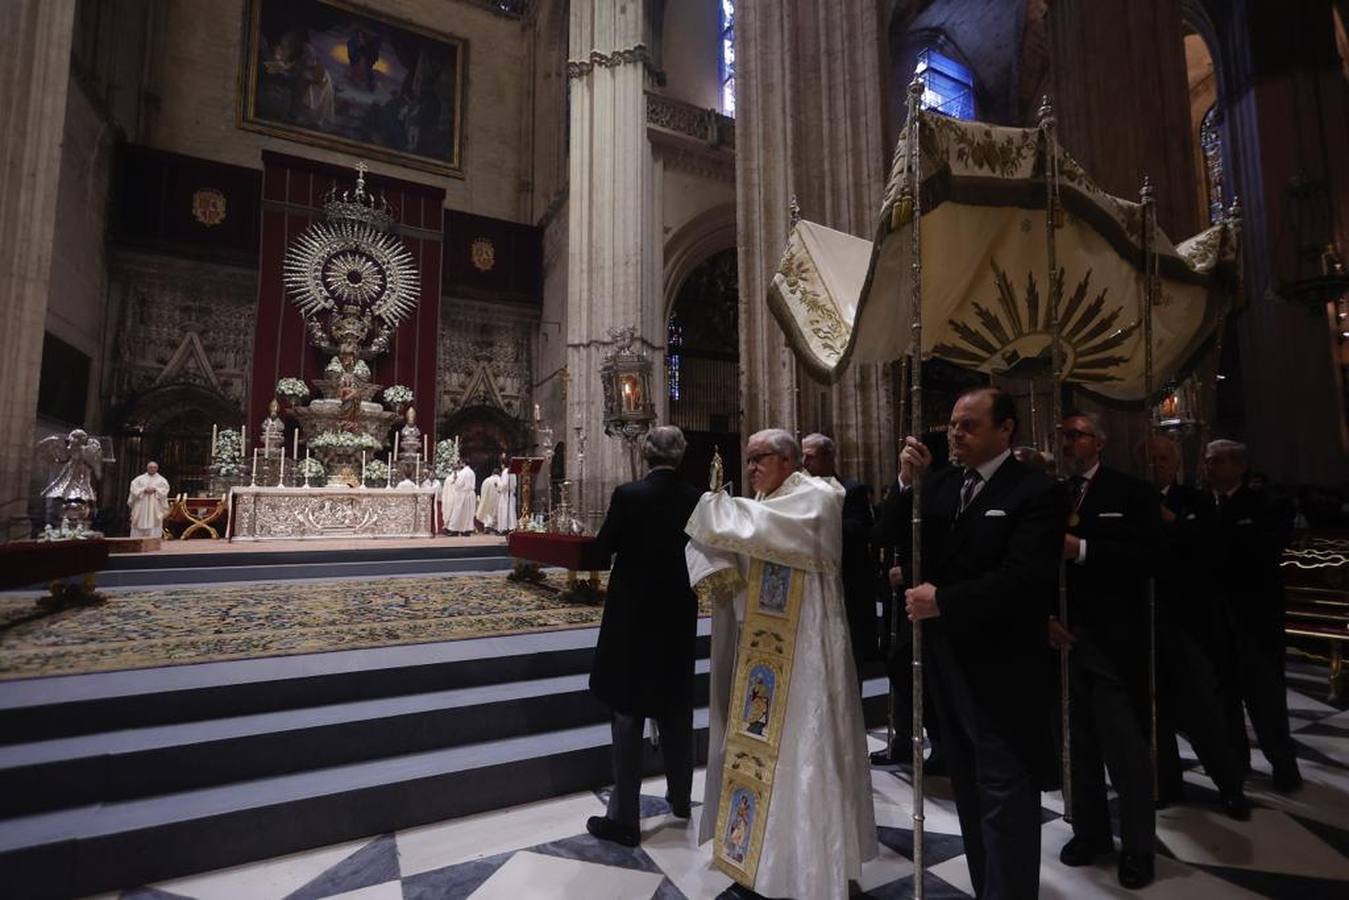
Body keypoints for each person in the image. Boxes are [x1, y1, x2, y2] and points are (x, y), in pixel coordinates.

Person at [878, 387, 1061, 900]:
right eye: (954, 424)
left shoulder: (1034, 491)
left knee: (1006, 791)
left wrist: (946, 600)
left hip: (1002, 663)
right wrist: (905, 481)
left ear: (1005, 430)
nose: (956, 433)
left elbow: (1025, 578)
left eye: (969, 425)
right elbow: (886, 534)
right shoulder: (938, 486)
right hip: (944, 661)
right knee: (969, 787)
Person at [686, 428, 876, 900]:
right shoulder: (766, 505)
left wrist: (714, 511)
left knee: (806, 753)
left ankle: (813, 866)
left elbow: (752, 525)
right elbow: (734, 539)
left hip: (807, 655)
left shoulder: (816, 499)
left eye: (759, 458)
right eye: (747, 460)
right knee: (765, 753)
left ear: (789, 460)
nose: (751, 468)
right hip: (764, 657)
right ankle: (765, 861)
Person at [585, 426, 702, 847]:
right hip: (677, 614)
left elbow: (602, 550)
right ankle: (683, 798)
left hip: (632, 617)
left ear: (645, 455)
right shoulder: (697, 500)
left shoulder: (628, 496)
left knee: (627, 713)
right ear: (682, 455)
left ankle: (624, 818)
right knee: (675, 708)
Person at [1054, 413, 1157, 888]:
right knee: (1078, 748)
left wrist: (1085, 550)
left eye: (1075, 435)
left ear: (1099, 441)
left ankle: (1138, 848)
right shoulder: (1055, 494)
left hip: (1113, 640)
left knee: (1125, 752)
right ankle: (1091, 833)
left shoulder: (1129, 491)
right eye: (1063, 435)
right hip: (1066, 639)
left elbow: (1150, 557)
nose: (1067, 442)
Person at [1146, 436, 1251, 819]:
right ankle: (1166, 783)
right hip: (1147, 621)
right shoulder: (1133, 499)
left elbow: (1205, 548)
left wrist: (1169, 520)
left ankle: (1229, 786)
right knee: (1154, 712)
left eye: (1162, 458)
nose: (1156, 465)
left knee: (1202, 710)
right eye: (1150, 458)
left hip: (1187, 621)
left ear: (1175, 464)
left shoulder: (1196, 500)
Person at [1204, 439, 1302, 792]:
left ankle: (1283, 764)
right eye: (1207, 461)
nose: (1208, 468)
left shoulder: (1266, 503)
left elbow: (1257, 551)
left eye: (1216, 461)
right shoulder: (1207, 505)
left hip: (1256, 619)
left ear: (1239, 466)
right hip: (1219, 620)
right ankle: (1237, 763)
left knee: (1265, 699)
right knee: (1226, 698)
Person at [801, 433, 876, 682]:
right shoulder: (798, 492)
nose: (803, 462)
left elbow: (860, 530)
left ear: (828, 457)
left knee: (849, 663)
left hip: (847, 586)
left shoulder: (852, 490)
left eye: (809, 457)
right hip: (810, 588)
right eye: (801, 456)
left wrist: (816, 524)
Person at [128, 461, 170, 539]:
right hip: (141, 505)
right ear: (147, 468)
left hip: (154, 506)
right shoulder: (139, 479)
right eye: (150, 467)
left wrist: (155, 490)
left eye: (154, 467)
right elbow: (133, 489)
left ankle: (154, 543)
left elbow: (165, 491)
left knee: (154, 524)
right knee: (139, 522)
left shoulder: (162, 480)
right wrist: (143, 490)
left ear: (157, 469)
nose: (152, 469)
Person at [442, 461, 476, 536]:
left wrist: (455, 481)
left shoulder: (463, 472)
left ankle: (454, 529)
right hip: (470, 494)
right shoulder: (472, 472)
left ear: (463, 463)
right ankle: (467, 530)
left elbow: (459, 484)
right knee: (468, 513)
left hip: (462, 494)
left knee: (457, 512)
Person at [476, 468, 501, 533]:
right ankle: (496, 527)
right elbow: (500, 489)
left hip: (487, 499)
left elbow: (483, 490)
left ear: (492, 473)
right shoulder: (499, 479)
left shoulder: (487, 480)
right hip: (497, 499)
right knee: (496, 512)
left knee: (488, 512)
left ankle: (487, 526)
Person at [496, 464, 516, 533]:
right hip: (511, 494)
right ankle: (511, 527)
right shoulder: (513, 472)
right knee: (511, 511)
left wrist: (498, 483)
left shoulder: (505, 472)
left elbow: (504, 484)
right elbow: (514, 484)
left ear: (503, 465)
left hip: (505, 495)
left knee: (505, 511)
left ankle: (505, 528)